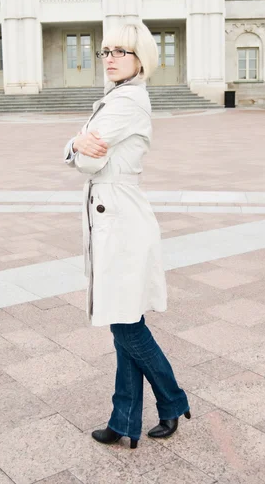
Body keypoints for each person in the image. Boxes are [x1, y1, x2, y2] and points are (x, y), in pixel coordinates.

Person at [64, 22, 190, 449]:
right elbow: (78, 150)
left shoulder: (128, 101)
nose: (111, 57)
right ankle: (124, 420)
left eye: (122, 50)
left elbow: (85, 163)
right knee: (124, 323)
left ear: (141, 57)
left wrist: (79, 148)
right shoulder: (116, 98)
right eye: (106, 51)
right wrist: (77, 144)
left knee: (126, 325)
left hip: (120, 218)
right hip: (115, 215)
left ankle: (172, 400)